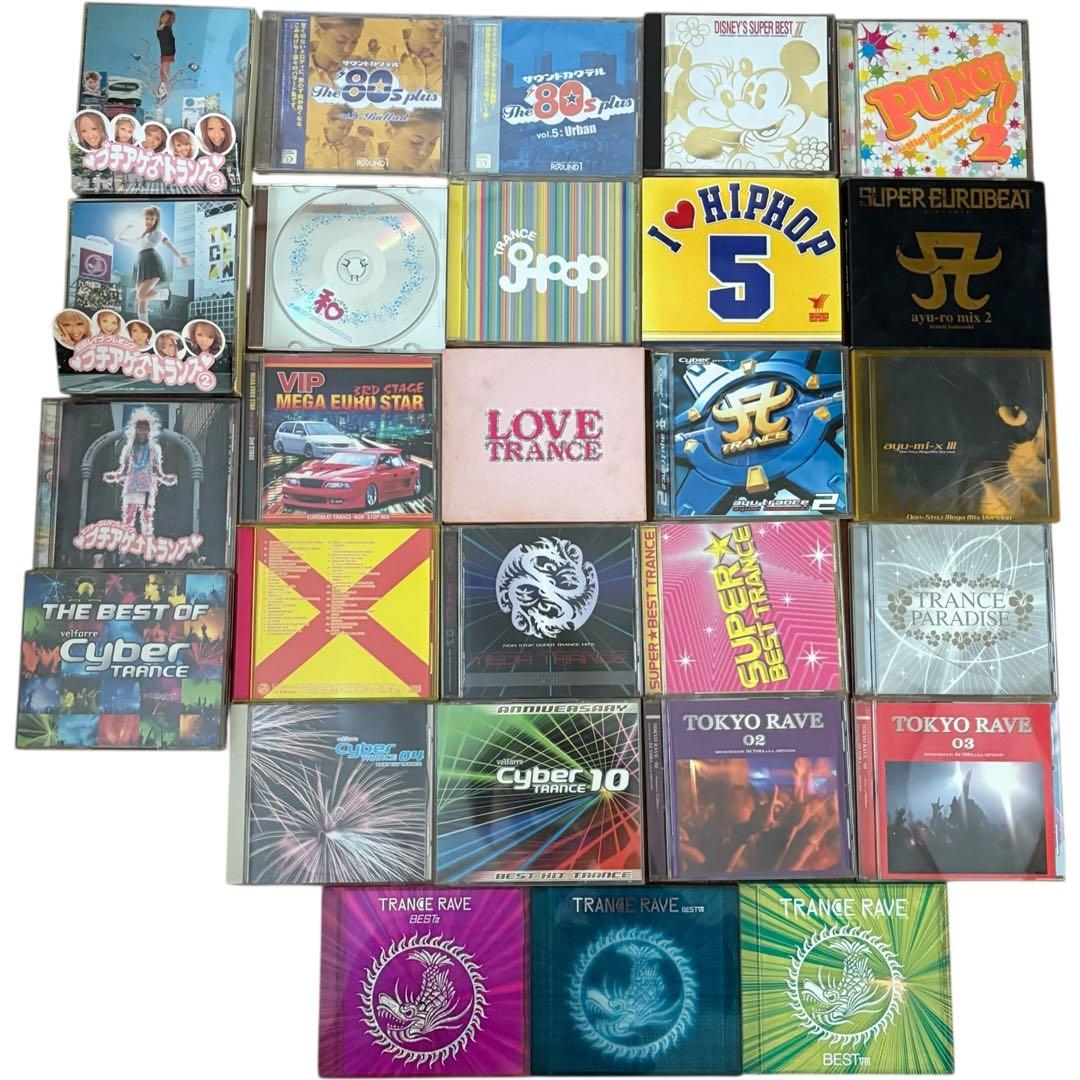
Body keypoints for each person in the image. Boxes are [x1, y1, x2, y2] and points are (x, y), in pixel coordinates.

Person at [103, 408, 177, 543]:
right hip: (131, 487)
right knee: (128, 517)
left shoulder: (154, 449)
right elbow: (123, 471)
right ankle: (127, 543)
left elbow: (157, 472)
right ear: (135, 430)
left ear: (149, 431)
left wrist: (166, 479)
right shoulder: (128, 448)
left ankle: (147, 543)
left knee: (147, 517)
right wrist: (114, 477)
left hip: (147, 488)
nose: (142, 432)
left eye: (145, 429)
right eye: (139, 429)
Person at [114, 205, 188, 320]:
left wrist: (180, 256)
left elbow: (168, 244)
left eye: (152, 219)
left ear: (156, 219)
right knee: (142, 300)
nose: (149, 221)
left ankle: (165, 294)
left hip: (152, 261)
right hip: (140, 263)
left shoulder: (157, 232)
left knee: (140, 295)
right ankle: (144, 325)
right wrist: (126, 228)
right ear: (143, 218)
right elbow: (118, 238)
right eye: (147, 218)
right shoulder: (138, 235)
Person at [305, 104, 374, 169]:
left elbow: (369, 169)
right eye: (341, 127)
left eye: (349, 128)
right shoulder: (310, 146)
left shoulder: (358, 144)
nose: (345, 132)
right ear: (329, 121)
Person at [157, 10, 177, 88]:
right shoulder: (162, 28)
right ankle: (163, 84)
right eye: (164, 17)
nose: (165, 19)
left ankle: (163, 84)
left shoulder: (167, 28)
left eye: (167, 18)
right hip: (165, 51)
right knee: (164, 68)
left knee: (165, 68)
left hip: (168, 51)